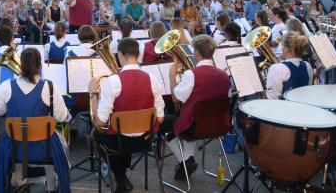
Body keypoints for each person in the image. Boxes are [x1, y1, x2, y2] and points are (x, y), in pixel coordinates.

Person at [0, 48, 71, 193]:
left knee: (6, 139)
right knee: (63, 147)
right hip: (45, 148)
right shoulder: (50, 87)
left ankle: (15, 184)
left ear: (21, 65)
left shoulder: (6, 86)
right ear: (40, 65)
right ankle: (55, 188)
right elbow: (61, 116)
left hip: (15, 148)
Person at [90, 37, 165, 193]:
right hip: (145, 140)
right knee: (119, 132)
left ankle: (120, 177)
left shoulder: (113, 81)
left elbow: (99, 122)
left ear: (119, 55)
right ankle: (121, 176)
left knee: (96, 134)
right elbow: (160, 118)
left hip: (120, 142)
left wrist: (93, 95)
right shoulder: (152, 79)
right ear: (138, 55)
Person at [161, 35, 231, 180]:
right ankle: (188, 158)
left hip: (194, 127)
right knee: (191, 117)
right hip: (218, 126)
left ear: (197, 53)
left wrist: (172, 76)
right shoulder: (224, 74)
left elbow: (175, 98)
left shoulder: (191, 74)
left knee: (162, 122)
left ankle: (186, 160)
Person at [265, 33, 312, 99]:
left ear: (286, 49)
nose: (281, 49)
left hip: (285, 107)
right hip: (303, 104)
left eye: (282, 46)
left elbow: (273, 97)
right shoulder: (307, 65)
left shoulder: (277, 68)